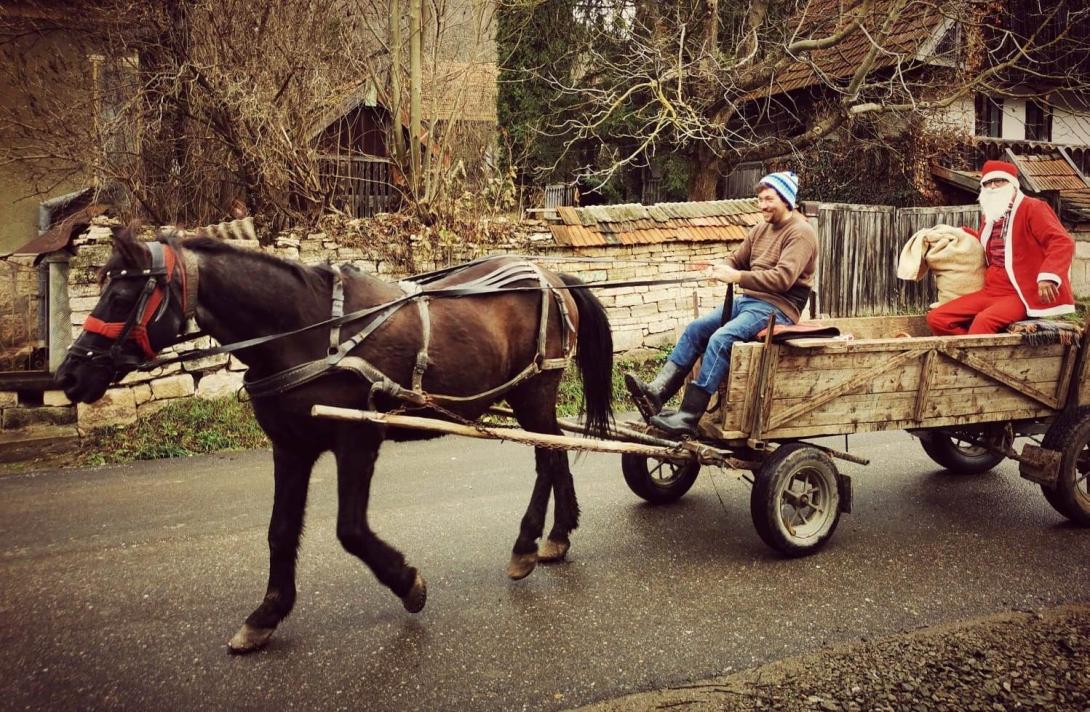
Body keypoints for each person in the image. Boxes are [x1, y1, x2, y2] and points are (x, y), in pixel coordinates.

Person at [625, 172, 818, 437]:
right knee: (695, 329)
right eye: (760, 199)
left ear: (786, 199)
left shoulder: (801, 233)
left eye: (768, 199)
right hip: (750, 302)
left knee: (721, 339)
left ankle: (688, 416)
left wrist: (737, 276)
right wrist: (722, 268)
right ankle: (657, 393)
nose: (762, 205)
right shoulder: (760, 228)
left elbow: (783, 279)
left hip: (778, 308)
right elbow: (735, 258)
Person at [926, 160, 1075, 335]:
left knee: (983, 322)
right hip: (992, 289)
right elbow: (990, 244)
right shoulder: (991, 215)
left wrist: (1049, 276)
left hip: (1021, 292)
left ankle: (970, 356)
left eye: (999, 181)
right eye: (988, 183)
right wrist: (960, 234)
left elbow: (1062, 241)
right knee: (937, 318)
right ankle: (968, 356)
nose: (993, 186)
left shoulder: (1033, 208)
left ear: (1012, 185)